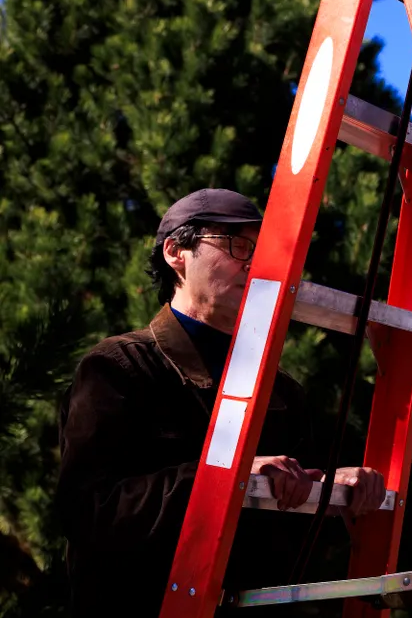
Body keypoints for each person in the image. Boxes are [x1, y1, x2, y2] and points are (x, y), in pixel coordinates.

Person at [56, 189, 385, 616]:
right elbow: (88, 511)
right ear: (177, 252)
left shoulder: (283, 393)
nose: (254, 262)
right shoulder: (118, 368)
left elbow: (297, 543)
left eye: (261, 249)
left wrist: (333, 494)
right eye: (235, 245)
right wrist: (224, 477)